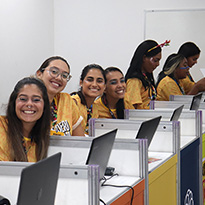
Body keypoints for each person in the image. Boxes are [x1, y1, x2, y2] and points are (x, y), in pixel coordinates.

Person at [0, 77, 51, 162]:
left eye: (36, 100)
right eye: (23, 99)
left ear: (44, 106)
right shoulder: (2, 127)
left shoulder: (43, 138)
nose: (29, 104)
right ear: (14, 102)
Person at [36, 56, 84, 136]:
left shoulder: (66, 100)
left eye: (64, 76)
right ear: (39, 74)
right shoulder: (30, 102)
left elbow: (80, 141)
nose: (59, 78)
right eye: (54, 71)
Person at [125, 40, 167, 109]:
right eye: (155, 60)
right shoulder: (134, 81)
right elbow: (133, 110)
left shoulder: (146, 77)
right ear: (144, 58)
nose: (158, 64)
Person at [71, 64, 106, 135]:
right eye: (90, 80)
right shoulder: (73, 103)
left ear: (104, 86)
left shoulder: (95, 107)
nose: (94, 84)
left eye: (99, 81)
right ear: (81, 83)